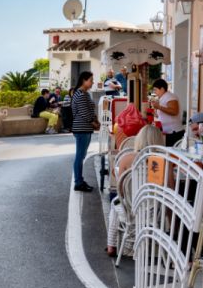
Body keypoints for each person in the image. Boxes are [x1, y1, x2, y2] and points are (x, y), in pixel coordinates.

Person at [107, 124, 166, 256]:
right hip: (153, 211)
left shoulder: (126, 159)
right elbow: (169, 189)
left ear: (138, 139)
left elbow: (120, 189)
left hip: (130, 209)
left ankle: (111, 245)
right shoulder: (161, 161)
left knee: (115, 205)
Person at [71, 71, 98, 192]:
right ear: (84, 80)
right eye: (91, 80)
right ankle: (78, 182)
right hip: (82, 128)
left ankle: (80, 180)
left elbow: (89, 110)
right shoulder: (81, 94)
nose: (92, 82)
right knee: (80, 156)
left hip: (84, 128)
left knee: (81, 156)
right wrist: (94, 123)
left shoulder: (84, 94)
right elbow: (85, 113)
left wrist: (95, 121)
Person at [149, 79, 183, 147]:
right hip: (167, 131)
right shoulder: (163, 97)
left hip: (173, 132)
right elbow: (163, 114)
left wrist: (159, 107)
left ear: (162, 89)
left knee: (172, 154)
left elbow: (174, 111)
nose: (155, 92)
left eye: (156, 90)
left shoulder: (170, 97)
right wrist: (154, 113)